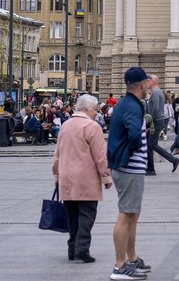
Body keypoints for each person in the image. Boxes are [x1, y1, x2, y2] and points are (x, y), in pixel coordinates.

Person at [52, 94, 112, 264]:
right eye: (95, 109)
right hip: (86, 178)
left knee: (71, 214)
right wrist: (106, 177)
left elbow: (57, 153)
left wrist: (56, 174)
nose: (96, 112)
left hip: (67, 177)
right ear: (86, 109)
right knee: (87, 214)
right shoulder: (92, 127)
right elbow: (100, 157)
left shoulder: (65, 125)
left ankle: (72, 249)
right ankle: (82, 248)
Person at [106, 67, 152, 280]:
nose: (149, 86)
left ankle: (131, 259)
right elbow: (133, 134)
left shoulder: (127, 104)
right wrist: (134, 150)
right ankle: (119, 265)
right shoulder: (133, 106)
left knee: (132, 214)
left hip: (128, 166)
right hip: (128, 166)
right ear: (141, 84)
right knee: (126, 215)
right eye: (147, 83)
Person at [145, 76, 179, 176]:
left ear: (153, 81)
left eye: (148, 80)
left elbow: (154, 109)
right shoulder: (158, 92)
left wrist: (148, 121)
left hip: (155, 121)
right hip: (158, 120)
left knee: (152, 144)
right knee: (150, 145)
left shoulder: (155, 93)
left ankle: (173, 160)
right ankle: (150, 168)